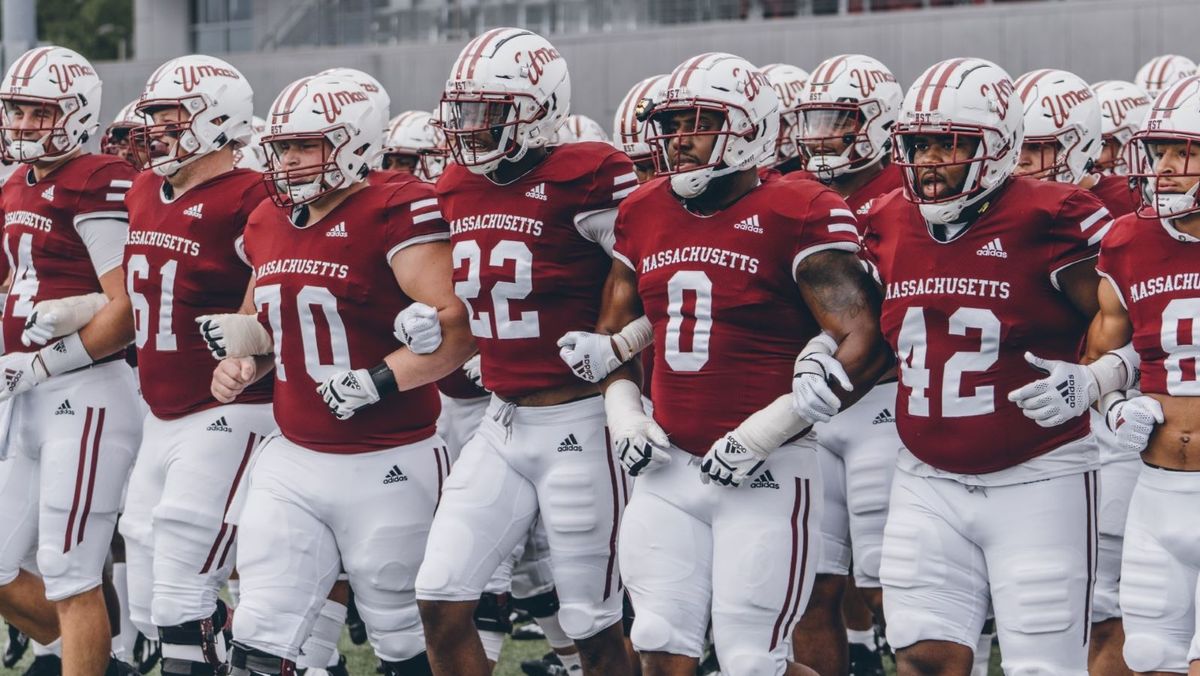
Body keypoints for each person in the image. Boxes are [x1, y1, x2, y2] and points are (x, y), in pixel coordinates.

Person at [595, 51, 890, 676]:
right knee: (657, 640)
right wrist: (625, 416)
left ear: (751, 125)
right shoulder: (643, 209)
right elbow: (613, 335)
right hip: (668, 464)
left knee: (753, 662)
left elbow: (863, 338)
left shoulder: (799, 208)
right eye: (670, 125)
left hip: (768, 470)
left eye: (697, 122)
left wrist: (766, 431)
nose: (679, 138)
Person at [198, 72, 473, 676]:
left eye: (306, 146)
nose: (289, 161)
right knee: (258, 637)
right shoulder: (269, 218)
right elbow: (262, 322)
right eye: (284, 147)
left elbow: (458, 330)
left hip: (389, 458)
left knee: (404, 641)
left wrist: (378, 379)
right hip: (293, 454)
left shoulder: (395, 207)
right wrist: (239, 362)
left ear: (356, 142)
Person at [862, 57, 1124, 676]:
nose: (928, 160)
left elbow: (1140, 327)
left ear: (1001, 143)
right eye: (918, 143)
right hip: (923, 476)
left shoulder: (1056, 217)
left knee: (1042, 666)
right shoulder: (887, 218)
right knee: (924, 657)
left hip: (1039, 475)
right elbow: (864, 328)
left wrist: (1094, 380)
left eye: (950, 144)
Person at [413, 27, 638, 676]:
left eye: (490, 111)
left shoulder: (593, 172)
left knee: (593, 626)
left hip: (580, 422)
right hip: (500, 420)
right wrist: (427, 322)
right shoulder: (455, 181)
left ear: (540, 108)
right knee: (440, 594)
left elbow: (654, 275)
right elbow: (449, 288)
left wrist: (620, 343)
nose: (471, 127)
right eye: (464, 111)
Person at [1026, 73, 1200, 675]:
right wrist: (1106, 396)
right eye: (1162, 151)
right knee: (1149, 657)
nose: (1169, 168)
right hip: (1156, 487)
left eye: (1189, 153)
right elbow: (1119, 352)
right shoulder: (1130, 240)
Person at [117, 54, 276, 676]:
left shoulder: (251, 193)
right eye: (153, 114)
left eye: (170, 115)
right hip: (160, 408)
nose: (155, 127)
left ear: (218, 118)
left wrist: (244, 343)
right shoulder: (143, 188)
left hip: (226, 411)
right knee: (149, 598)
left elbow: (279, 271)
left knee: (184, 593)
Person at [0, 45, 143, 676]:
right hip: (24, 393)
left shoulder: (99, 178)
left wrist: (45, 363)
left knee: (71, 571)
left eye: (40, 111)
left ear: (78, 113)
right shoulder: (14, 182)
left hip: (83, 392)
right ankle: (85, 660)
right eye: (17, 110)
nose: (25, 124)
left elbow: (128, 306)